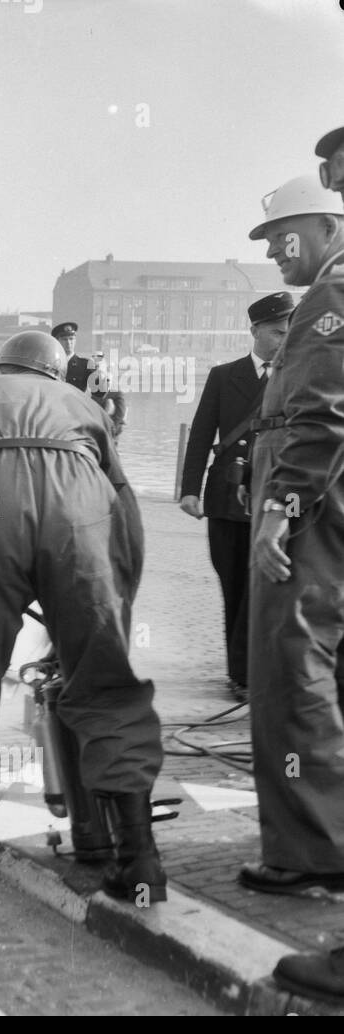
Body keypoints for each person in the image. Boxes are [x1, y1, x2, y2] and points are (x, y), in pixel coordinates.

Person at [0, 330, 165, 905]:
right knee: (108, 687)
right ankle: (139, 861)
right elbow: (125, 508)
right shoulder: (84, 406)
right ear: (55, 374)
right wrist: (115, 605)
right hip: (81, 511)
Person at [240, 173, 344, 900]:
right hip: (322, 503)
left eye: (287, 234)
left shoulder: (331, 299)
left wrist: (281, 504)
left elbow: (320, 415)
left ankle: (310, 851)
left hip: (308, 511)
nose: (276, 250)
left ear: (329, 228)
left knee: (290, 667)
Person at [178, 292, 294, 702]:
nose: (285, 339)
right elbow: (201, 434)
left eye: (290, 332)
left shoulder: (298, 376)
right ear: (256, 331)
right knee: (233, 584)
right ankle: (239, 673)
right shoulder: (223, 375)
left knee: (266, 587)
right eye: (278, 332)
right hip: (227, 498)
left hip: (275, 496)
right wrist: (189, 490)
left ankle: (251, 674)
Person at [52, 321, 125, 437]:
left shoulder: (85, 365)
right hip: (51, 418)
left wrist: (114, 427)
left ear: (75, 340)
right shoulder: (49, 365)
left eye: (71, 339)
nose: (68, 343)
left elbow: (111, 395)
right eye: (64, 339)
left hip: (75, 419)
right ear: (57, 341)